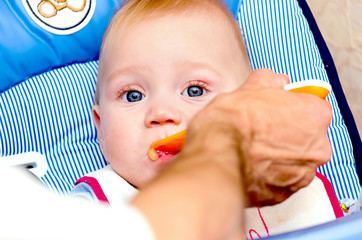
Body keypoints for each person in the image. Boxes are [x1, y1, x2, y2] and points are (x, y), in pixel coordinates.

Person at [72, 0, 252, 204]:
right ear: (101, 129)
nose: (161, 113)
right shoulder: (94, 210)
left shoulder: (280, 169)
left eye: (195, 91)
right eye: (133, 95)